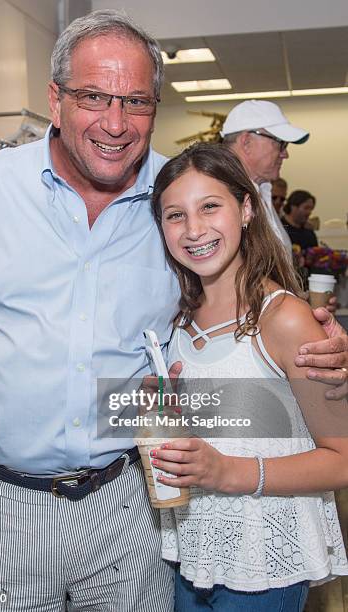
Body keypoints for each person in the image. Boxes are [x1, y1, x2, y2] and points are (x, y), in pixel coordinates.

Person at [0, 9, 346, 612]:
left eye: (135, 101)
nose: (115, 122)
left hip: (127, 504)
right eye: (93, 96)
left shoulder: (175, 198)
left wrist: (313, 358)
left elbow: (225, 361)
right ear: (56, 101)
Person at [150, 142, 348, 612]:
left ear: (245, 208)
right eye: (175, 215)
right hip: (190, 552)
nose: (193, 229)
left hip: (263, 566)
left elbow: (342, 458)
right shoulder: (177, 319)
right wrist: (160, 406)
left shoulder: (283, 319)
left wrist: (229, 472)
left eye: (210, 207)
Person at [220, 99, 309, 253]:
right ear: (247, 142)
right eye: (281, 144)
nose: (285, 154)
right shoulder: (220, 196)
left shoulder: (262, 189)